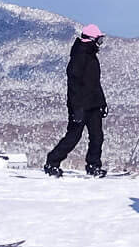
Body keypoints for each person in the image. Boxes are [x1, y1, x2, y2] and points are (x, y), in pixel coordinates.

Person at [44, 24, 109, 178]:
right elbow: (73, 83)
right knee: (73, 136)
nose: (100, 43)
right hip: (80, 105)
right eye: (99, 39)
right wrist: (76, 107)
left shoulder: (92, 55)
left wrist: (102, 102)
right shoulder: (80, 55)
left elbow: (94, 83)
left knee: (97, 136)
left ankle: (94, 165)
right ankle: (52, 162)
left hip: (93, 104)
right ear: (92, 39)